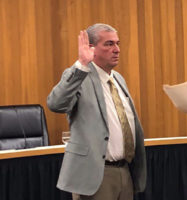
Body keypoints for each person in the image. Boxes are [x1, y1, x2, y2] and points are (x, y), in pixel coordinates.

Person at [47, 23, 146, 200]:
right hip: (95, 176)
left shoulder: (118, 79)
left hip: (125, 171)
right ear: (91, 48)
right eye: (109, 44)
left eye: (118, 43)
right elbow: (56, 104)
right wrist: (81, 65)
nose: (117, 49)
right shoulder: (78, 76)